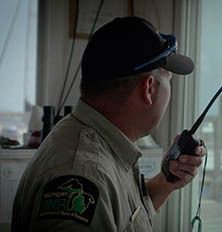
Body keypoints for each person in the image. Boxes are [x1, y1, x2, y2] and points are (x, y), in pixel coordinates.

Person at [11, 16, 206, 232]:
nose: (170, 90)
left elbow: (126, 218)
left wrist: (166, 182)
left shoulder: (99, 143)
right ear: (149, 88)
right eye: (168, 78)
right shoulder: (84, 176)